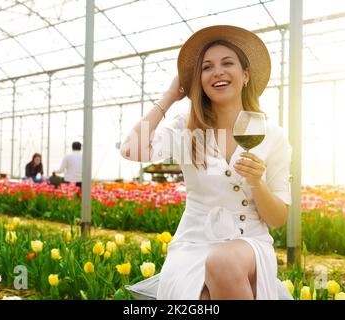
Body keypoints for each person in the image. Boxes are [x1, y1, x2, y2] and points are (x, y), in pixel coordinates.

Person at [121, 25, 292, 300]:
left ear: (245, 75)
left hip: (248, 243)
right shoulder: (188, 130)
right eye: (207, 67)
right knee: (202, 298)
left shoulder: (272, 135)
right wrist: (169, 97)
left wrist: (257, 182)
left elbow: (278, 219)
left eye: (227, 63)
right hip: (193, 244)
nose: (218, 72)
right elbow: (131, 149)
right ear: (198, 81)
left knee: (224, 262)